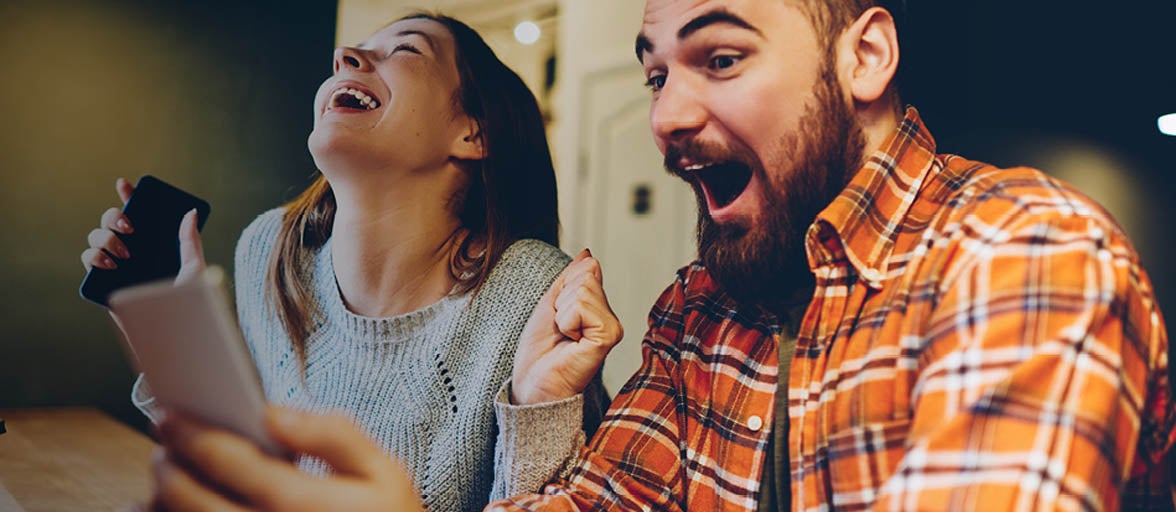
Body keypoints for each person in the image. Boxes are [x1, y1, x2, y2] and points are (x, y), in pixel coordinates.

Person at [129, 1, 1175, 511]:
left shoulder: (1021, 252)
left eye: (720, 58)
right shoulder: (697, 314)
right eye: (653, 73)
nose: (668, 115)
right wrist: (541, 408)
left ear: (865, 54)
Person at [80, 13, 606, 512]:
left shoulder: (535, 290)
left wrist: (542, 411)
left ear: (474, 133)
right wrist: (173, 341)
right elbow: (244, 475)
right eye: (353, 52)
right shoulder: (269, 251)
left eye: (404, 49)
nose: (344, 56)